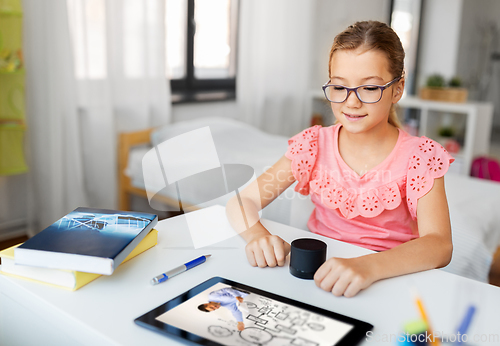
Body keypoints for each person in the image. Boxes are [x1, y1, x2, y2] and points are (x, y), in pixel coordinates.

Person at [226, 20, 454, 298]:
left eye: (369, 88)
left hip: (389, 282)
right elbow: (242, 201)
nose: (351, 102)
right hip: (320, 280)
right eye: (339, 87)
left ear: (397, 89)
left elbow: (440, 245)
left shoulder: (420, 157)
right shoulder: (312, 145)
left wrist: (368, 266)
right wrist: (256, 236)